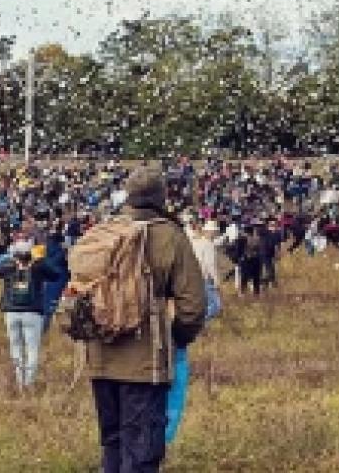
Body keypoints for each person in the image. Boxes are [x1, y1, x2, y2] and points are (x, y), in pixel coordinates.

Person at [86, 166, 206, 473]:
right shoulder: (170, 235)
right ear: (161, 197)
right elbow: (193, 306)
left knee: (112, 447)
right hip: (146, 361)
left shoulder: (105, 231)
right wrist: (177, 337)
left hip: (100, 356)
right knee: (141, 452)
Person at [0, 240, 54, 390]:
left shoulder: (9, 267)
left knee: (15, 346)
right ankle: (29, 383)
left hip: (11, 312)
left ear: (15, 254)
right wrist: (41, 259)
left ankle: (19, 381)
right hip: (33, 312)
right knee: (32, 348)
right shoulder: (38, 267)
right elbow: (55, 274)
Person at [192, 220, 223, 319]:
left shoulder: (196, 242)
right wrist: (216, 280)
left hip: (194, 277)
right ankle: (201, 322)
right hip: (204, 277)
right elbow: (210, 265)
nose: (214, 234)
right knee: (215, 305)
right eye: (214, 232)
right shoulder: (208, 245)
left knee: (201, 304)